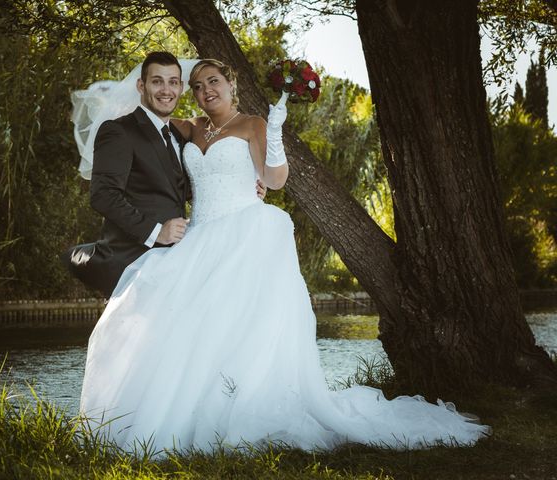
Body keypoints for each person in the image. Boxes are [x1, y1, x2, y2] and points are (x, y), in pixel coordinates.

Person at [79, 58, 490, 454]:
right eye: (199, 86)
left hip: (245, 233)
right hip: (199, 237)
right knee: (199, 328)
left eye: (213, 83)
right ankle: (199, 411)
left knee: (245, 328)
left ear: (231, 85)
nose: (206, 91)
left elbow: (274, 181)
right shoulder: (191, 128)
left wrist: (273, 136)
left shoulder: (253, 124)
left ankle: (242, 412)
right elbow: (156, 131)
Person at [61, 52, 264, 297]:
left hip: (177, 260)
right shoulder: (119, 130)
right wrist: (156, 232)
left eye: (173, 82)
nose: (165, 90)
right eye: (157, 81)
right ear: (141, 85)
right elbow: (103, 195)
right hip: (134, 262)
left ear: (180, 88)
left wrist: (244, 185)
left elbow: (188, 186)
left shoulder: (179, 136)